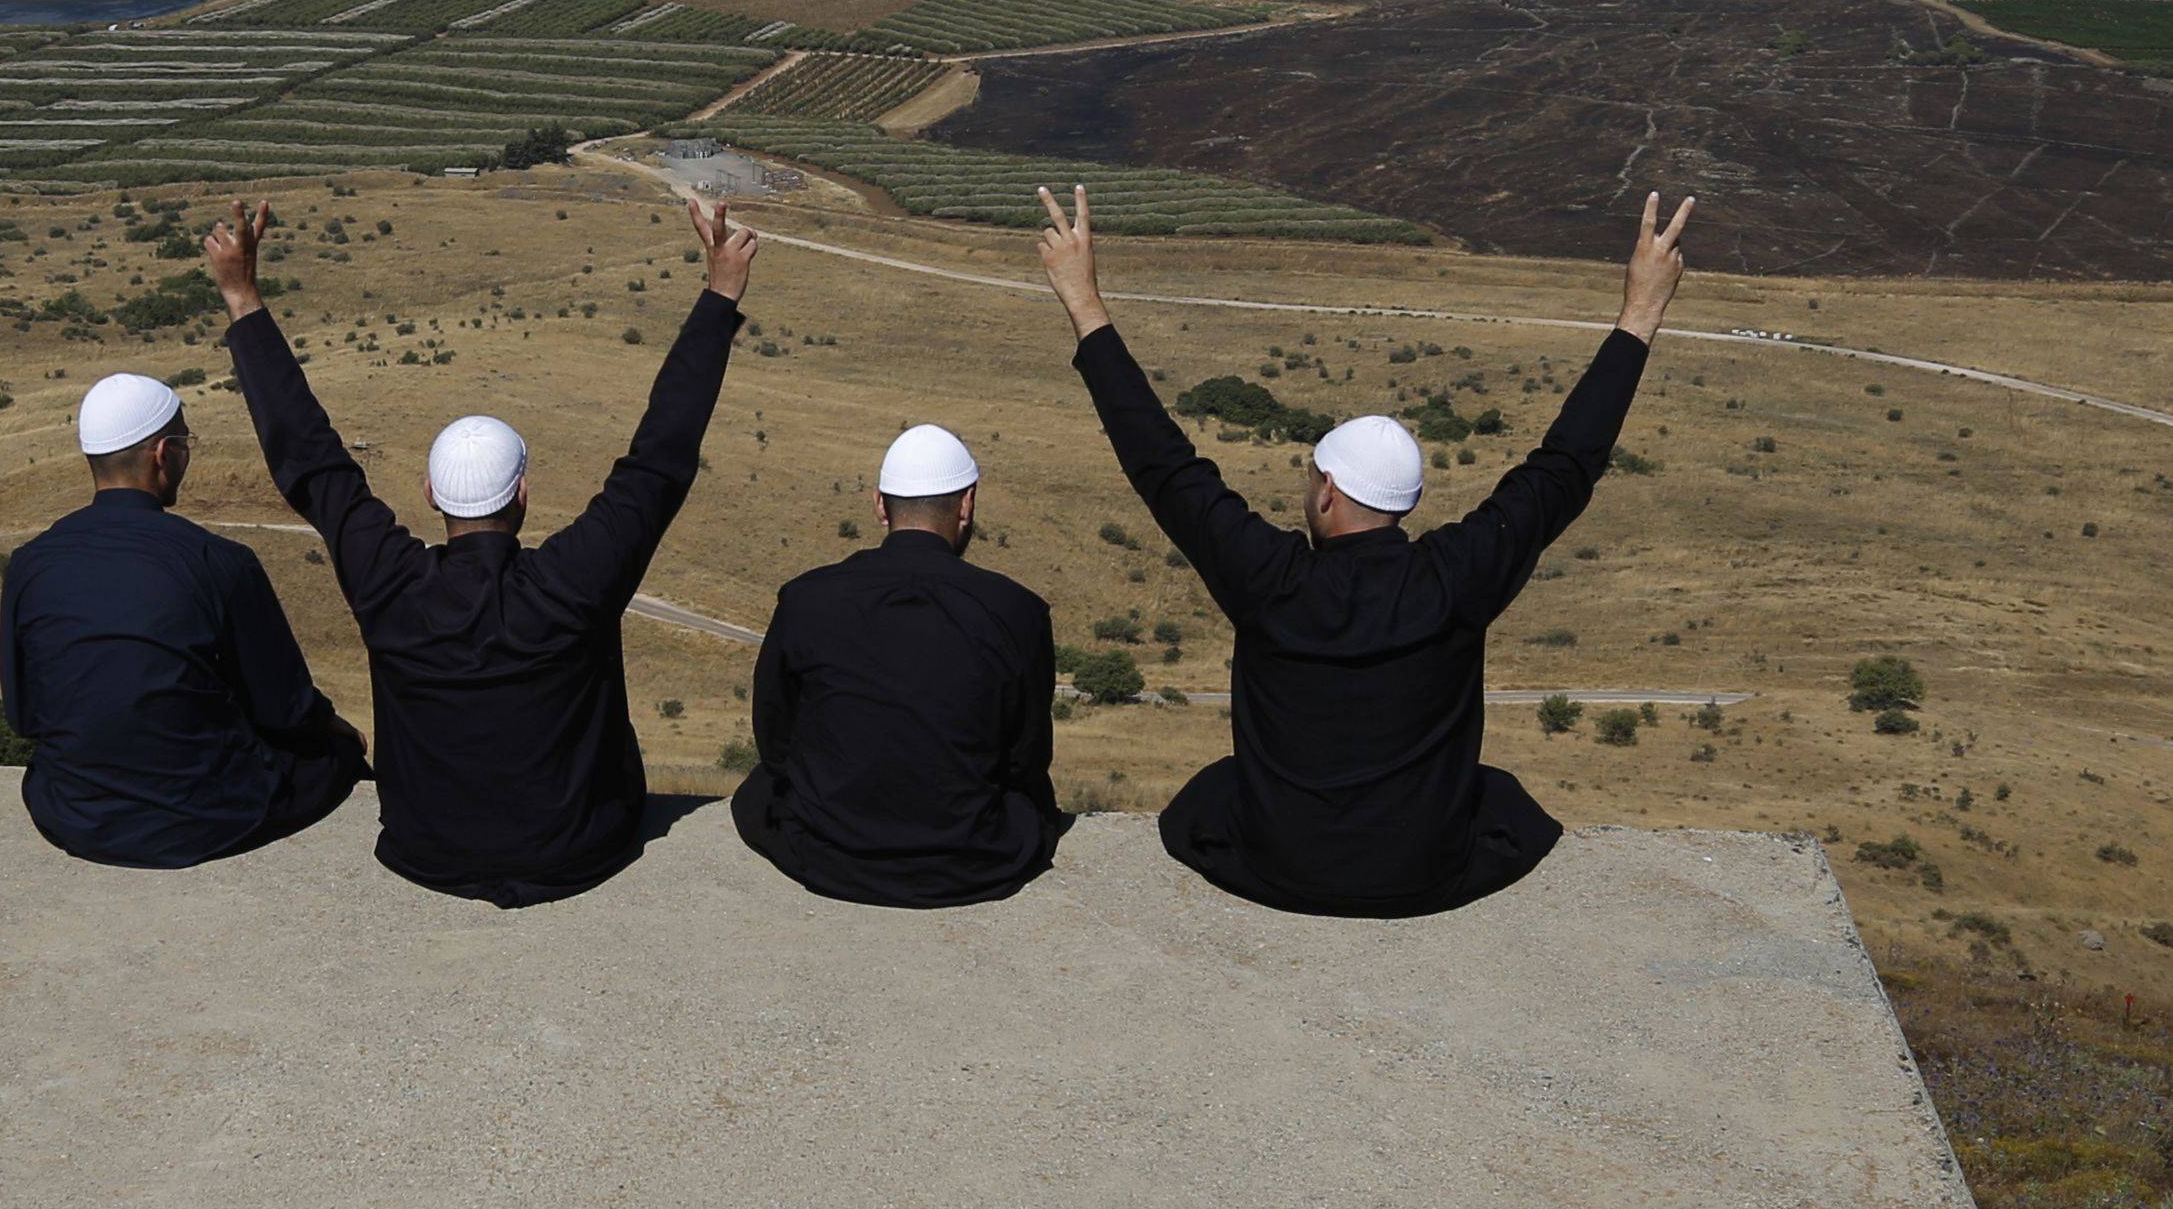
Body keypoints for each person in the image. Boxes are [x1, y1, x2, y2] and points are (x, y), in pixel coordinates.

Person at [1034, 183, 1697, 920]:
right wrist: (1640, 311)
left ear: (1324, 491)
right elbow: (1565, 463)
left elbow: (1161, 463)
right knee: (1501, 797)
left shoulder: (1269, 579)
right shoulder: (1456, 575)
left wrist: (1082, 300)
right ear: (1405, 503)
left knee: (1212, 793)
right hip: (1422, 877)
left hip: (1277, 868)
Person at [211, 188, 756, 907]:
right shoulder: (572, 582)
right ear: (522, 495)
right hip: (582, 849)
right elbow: (659, 458)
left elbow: (309, 460)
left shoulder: (390, 584)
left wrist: (242, 299)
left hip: (422, 849)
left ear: (432, 498)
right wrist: (719, 293)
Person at [0, 371, 367, 868]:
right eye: (185, 444)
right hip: (202, 817)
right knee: (333, 762)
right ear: (163, 453)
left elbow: (24, 715)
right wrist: (342, 734)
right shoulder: (220, 560)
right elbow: (285, 710)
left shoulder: (29, 561)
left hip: (73, 813)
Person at [732, 424, 1067, 908]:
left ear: (879, 505)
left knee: (762, 788)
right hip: (971, 860)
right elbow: (1026, 758)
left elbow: (775, 739)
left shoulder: (806, 598)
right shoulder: (1017, 610)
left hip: (827, 853)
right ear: (967, 504)